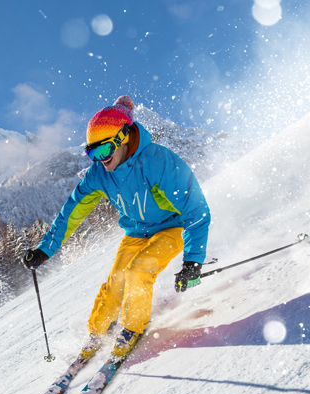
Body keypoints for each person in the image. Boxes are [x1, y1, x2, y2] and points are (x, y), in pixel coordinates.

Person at [23, 95, 210, 360]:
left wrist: (192, 261)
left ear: (122, 138)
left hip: (172, 227)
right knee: (116, 282)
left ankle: (132, 328)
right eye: (92, 153)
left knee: (139, 270)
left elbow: (196, 208)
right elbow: (71, 213)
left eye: (103, 151)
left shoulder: (158, 161)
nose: (100, 160)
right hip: (135, 231)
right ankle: (97, 330)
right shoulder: (98, 174)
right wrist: (44, 250)